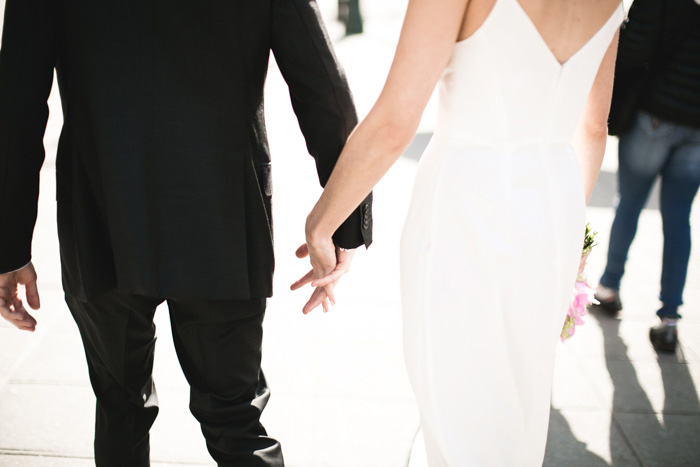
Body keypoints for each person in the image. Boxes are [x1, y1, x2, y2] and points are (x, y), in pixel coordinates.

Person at [0, 0, 371, 466]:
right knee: (235, 416)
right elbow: (322, 83)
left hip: (101, 212)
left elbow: (16, 101)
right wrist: (345, 220)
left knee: (119, 409)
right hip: (221, 214)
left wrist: (10, 244)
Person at [293, 0, 622, 464]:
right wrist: (569, 238)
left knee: (457, 405)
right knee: (519, 400)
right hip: (554, 212)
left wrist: (322, 222)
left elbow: (394, 122)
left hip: (468, 206)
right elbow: (592, 127)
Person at [594, 0, 700, 353]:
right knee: (678, 219)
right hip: (697, 130)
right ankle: (669, 319)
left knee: (630, 203)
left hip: (653, 115)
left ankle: (609, 288)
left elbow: (633, 46)